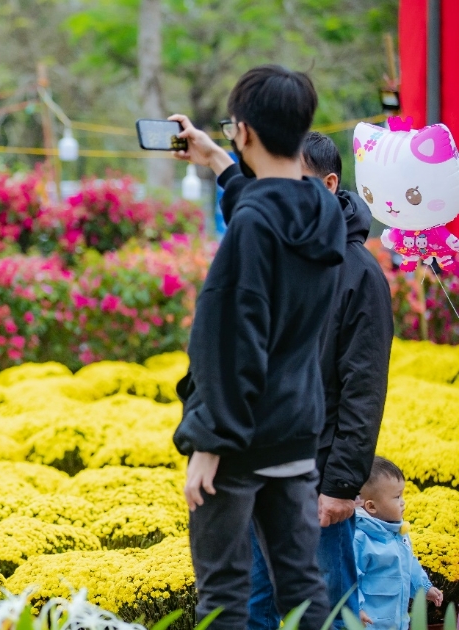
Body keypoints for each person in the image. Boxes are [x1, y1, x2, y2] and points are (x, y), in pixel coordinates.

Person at [169, 64, 346, 630]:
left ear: (242, 130)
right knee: (301, 587)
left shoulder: (251, 228)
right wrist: (218, 162)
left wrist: (211, 444)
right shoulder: (325, 213)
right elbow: (269, 207)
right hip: (295, 429)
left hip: (238, 440)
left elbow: (229, 341)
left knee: (222, 596)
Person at [240, 132, 395, 630]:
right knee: (252, 609)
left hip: (317, 482)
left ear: (329, 185)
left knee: (326, 613)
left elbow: (363, 389)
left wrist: (342, 485)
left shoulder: (358, 273)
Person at [354, 457, 444, 630]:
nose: (403, 501)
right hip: (369, 624)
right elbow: (348, 580)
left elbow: (409, 565)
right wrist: (355, 608)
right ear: (371, 507)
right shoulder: (360, 539)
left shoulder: (397, 532)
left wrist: (424, 587)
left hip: (398, 622)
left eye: (402, 494)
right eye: (397, 497)